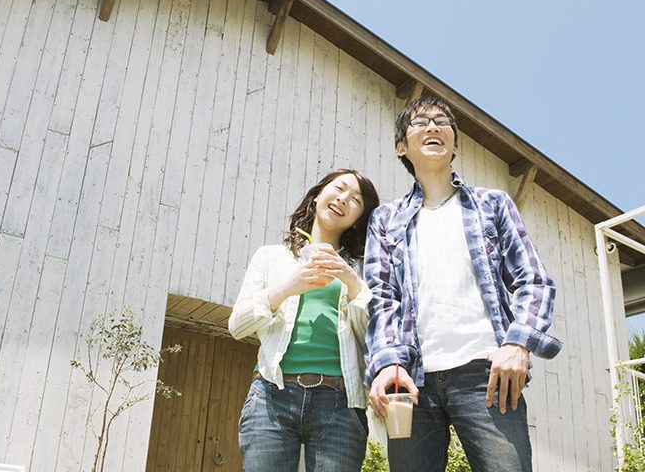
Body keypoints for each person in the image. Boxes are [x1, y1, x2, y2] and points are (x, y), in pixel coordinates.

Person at [364, 96, 562, 472]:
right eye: (420, 123)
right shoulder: (385, 220)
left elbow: (533, 279)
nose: (433, 127)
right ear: (401, 148)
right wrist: (387, 365)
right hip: (411, 383)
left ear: (455, 144)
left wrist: (518, 344)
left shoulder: (493, 204)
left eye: (442, 122)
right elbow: (382, 299)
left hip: (486, 375)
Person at [229, 169, 380, 472]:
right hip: (272, 394)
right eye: (338, 189)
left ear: (358, 219)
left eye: (356, 200)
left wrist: (352, 283)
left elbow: (373, 338)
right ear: (317, 194)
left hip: (339, 402)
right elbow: (238, 326)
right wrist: (287, 287)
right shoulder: (270, 257)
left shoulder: (364, 269)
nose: (343, 200)